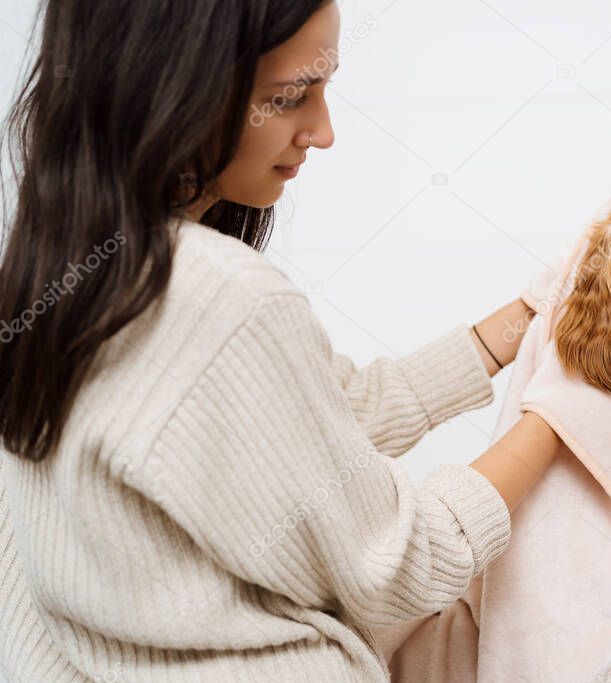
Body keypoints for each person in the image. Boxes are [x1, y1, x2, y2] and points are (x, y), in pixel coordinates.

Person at [0, 2, 562, 680]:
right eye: (290, 97)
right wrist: (560, 410)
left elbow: (327, 417)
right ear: (176, 84)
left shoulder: (55, 281)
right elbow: (400, 563)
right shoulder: (217, 294)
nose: (322, 132)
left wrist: (529, 318)